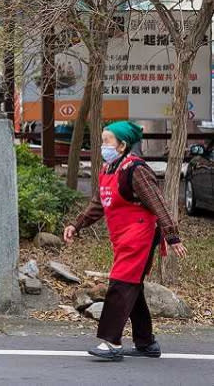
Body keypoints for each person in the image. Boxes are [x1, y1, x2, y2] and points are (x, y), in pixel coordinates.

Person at [63, 121, 188, 361]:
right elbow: (99, 204)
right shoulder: (109, 169)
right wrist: (76, 225)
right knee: (133, 287)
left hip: (140, 236)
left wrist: (172, 235)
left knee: (120, 284)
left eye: (107, 141)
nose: (102, 145)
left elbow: (158, 203)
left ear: (122, 145)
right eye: (102, 140)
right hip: (123, 238)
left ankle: (111, 343)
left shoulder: (136, 170)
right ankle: (146, 343)